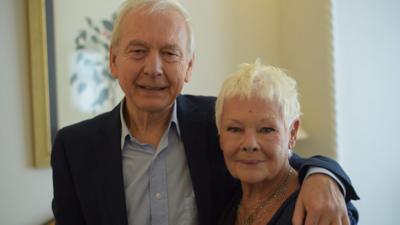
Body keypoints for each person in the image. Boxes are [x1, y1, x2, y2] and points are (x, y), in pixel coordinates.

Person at [51, 1, 359, 225]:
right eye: (138, 51)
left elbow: (279, 158)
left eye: (170, 53)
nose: (153, 69)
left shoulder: (221, 120)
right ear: (114, 60)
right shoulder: (74, 147)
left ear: (189, 66)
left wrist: (324, 175)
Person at [215, 61, 358, 225]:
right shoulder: (224, 195)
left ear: (292, 133)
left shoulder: (321, 208)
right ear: (220, 135)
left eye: (266, 129)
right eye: (235, 129)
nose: (249, 144)